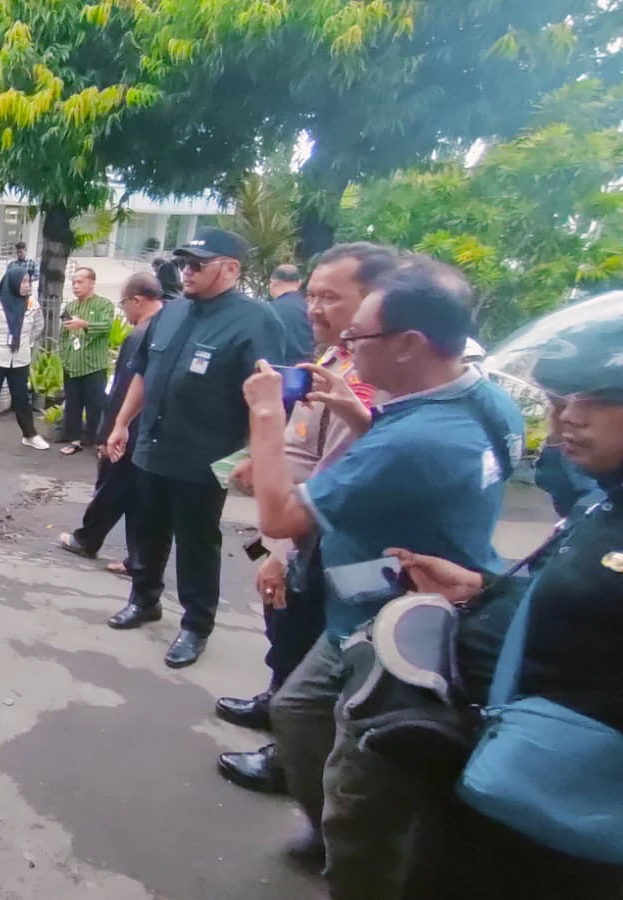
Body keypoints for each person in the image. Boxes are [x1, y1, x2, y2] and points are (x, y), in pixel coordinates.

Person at [247, 258, 523, 897]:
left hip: (394, 630)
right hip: (377, 606)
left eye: (358, 338)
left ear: (409, 346)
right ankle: (332, 838)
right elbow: (414, 473)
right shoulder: (484, 401)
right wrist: (358, 413)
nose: (343, 346)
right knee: (297, 711)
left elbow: (281, 514)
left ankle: (352, 859)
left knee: (361, 783)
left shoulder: (418, 437)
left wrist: (265, 416)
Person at [388, 315, 623, 900]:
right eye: (559, 398)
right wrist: (484, 586)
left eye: (594, 398)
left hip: (573, 813)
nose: (567, 415)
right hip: (510, 780)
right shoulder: (605, 502)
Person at [212, 243, 399, 795]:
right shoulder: (334, 362)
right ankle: (276, 702)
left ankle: (288, 754)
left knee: (306, 646)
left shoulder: (365, 382)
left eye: (330, 298)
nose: (313, 308)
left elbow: (331, 486)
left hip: (317, 540)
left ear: (373, 304)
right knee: (285, 632)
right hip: (297, 522)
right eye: (311, 294)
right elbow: (306, 446)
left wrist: (282, 552)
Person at [102, 227, 287, 668]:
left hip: (207, 458)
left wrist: (251, 457)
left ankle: (195, 624)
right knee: (146, 531)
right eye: (183, 263)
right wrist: (122, 423)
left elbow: (267, 398)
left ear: (230, 268)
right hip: (153, 447)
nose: (186, 271)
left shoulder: (256, 321)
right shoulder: (169, 314)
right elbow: (143, 372)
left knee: (197, 542)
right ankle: (144, 599)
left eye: (197, 264)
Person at [58, 273, 165, 570]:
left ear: (137, 300)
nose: (124, 312)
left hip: (131, 429)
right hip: (155, 429)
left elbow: (124, 388)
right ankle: (134, 557)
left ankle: (90, 541)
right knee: (135, 496)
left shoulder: (140, 335)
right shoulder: (171, 327)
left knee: (112, 487)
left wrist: (108, 432)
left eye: (125, 304)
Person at [0, 265, 48, 451]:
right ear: (13, 282)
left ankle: (30, 435)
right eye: (23, 281)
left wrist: (22, 342)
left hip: (20, 359)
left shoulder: (32, 304)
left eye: (29, 281)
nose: (27, 285)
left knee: (22, 398)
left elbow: (38, 328)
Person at [56, 267, 115, 456]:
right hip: (72, 365)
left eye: (80, 281)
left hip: (93, 365)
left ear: (91, 283)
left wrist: (85, 324)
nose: (75, 286)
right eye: (73, 282)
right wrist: (64, 355)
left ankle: (98, 441)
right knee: (73, 404)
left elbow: (107, 326)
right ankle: (74, 440)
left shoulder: (103, 304)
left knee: (96, 405)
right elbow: (63, 334)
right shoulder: (71, 307)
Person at [268, 263, 316, 363]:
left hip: (279, 370)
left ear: (273, 283)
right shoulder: (312, 308)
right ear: (299, 283)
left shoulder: (268, 310)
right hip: (310, 370)